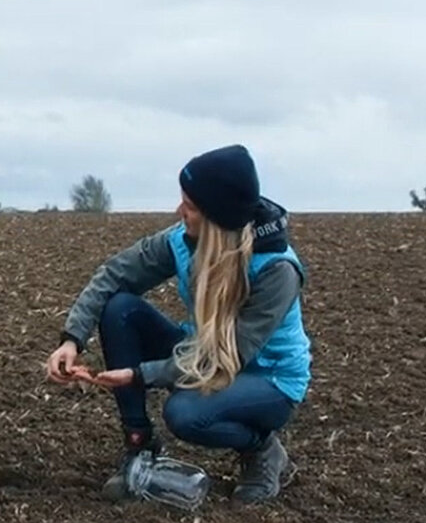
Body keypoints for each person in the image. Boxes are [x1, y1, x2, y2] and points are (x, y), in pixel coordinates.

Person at [45, 144, 311, 504]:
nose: (179, 210)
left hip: (267, 379)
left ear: (216, 216)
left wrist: (142, 374)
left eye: (190, 205)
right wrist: (72, 339)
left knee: (186, 414)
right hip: (202, 350)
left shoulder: (276, 270)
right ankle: (139, 450)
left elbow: (230, 355)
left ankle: (263, 450)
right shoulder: (183, 240)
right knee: (120, 308)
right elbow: (115, 275)